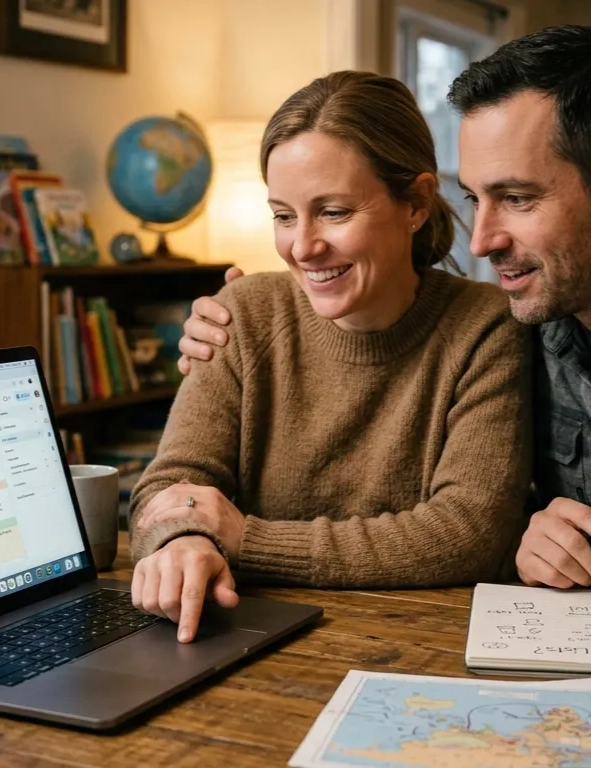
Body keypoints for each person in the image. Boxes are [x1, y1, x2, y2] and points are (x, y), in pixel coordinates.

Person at [177, 26, 591, 625]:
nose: (481, 241)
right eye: (476, 199)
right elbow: (492, 508)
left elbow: (475, 530)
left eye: (518, 199)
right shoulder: (526, 322)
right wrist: (232, 330)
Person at [130, 70, 533, 643]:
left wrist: (247, 541)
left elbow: (468, 534)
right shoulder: (241, 313)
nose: (302, 246)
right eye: (283, 215)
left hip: (419, 647)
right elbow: (169, 487)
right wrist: (184, 541)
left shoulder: (486, 327)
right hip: (244, 640)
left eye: (335, 212)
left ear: (416, 202)